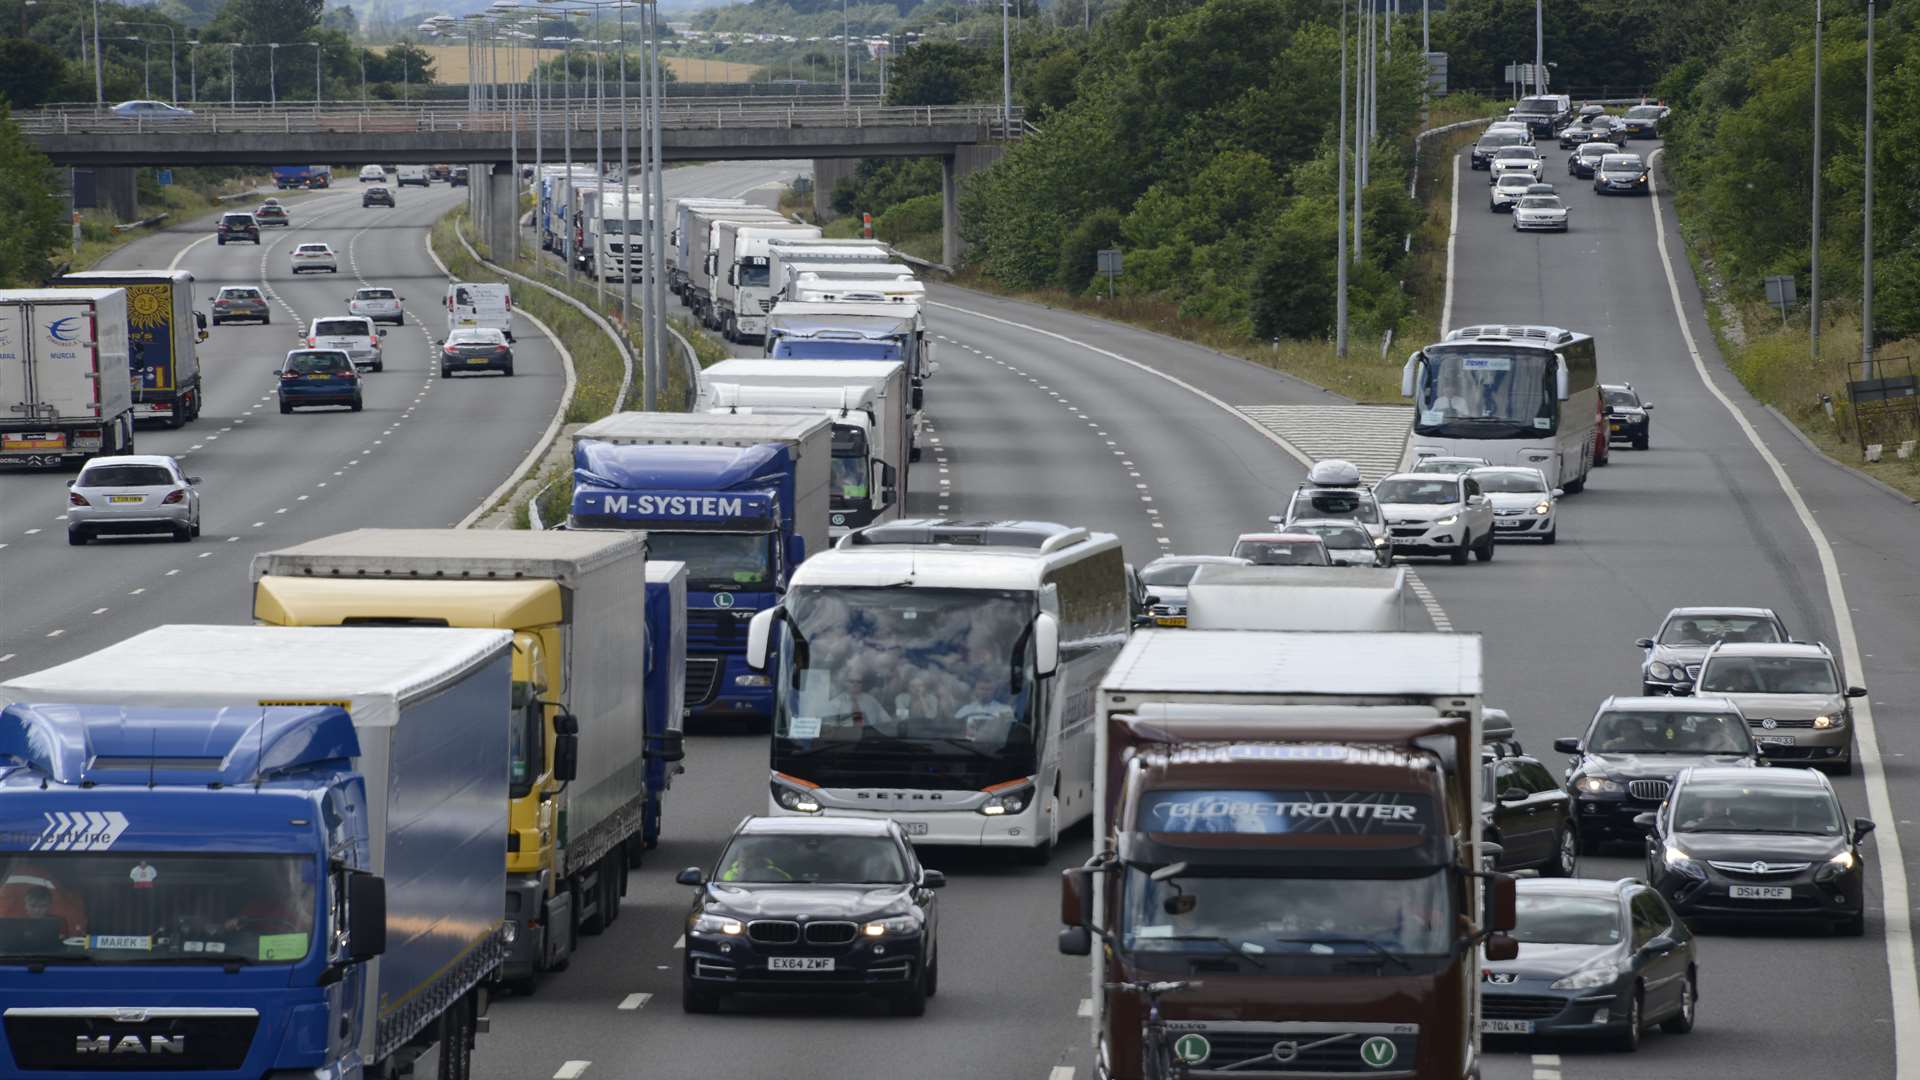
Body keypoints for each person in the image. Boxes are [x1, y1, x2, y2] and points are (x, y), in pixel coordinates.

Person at [956, 675, 1017, 749]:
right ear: (975, 690)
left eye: (989, 689)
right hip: (967, 750)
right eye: (982, 689)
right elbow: (955, 731)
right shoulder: (965, 710)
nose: (985, 692)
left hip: (996, 751)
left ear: (994, 691)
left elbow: (1011, 734)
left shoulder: (1005, 710)